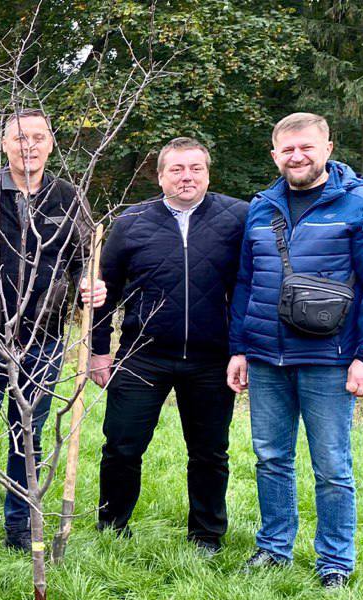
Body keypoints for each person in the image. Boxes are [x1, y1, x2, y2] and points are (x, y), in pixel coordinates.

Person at [227, 113, 363, 589]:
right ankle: (274, 548)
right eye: (287, 149)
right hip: (265, 356)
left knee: (331, 465)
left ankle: (335, 563)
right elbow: (246, 281)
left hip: (330, 355)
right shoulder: (261, 207)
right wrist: (239, 347)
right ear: (274, 154)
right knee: (270, 458)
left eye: (306, 147)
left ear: (327, 148)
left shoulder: (362, 204)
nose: (296, 156)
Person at [0, 108, 104, 550]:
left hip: (44, 340)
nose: (28, 146)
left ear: (51, 143)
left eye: (37, 137)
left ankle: (19, 528)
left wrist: (91, 281)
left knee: (26, 436)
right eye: (19, 138)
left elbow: (88, 257)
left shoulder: (70, 198)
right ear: (4, 145)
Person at [89, 137, 248, 554]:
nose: (186, 176)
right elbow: (104, 292)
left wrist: (242, 348)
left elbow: (250, 288)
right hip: (143, 355)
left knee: (210, 452)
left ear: (208, 173)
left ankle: (206, 535)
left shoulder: (237, 219)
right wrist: (98, 350)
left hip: (212, 359)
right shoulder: (132, 221)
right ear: (160, 176)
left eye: (195, 168)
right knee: (122, 446)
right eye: (176, 169)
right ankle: (112, 526)